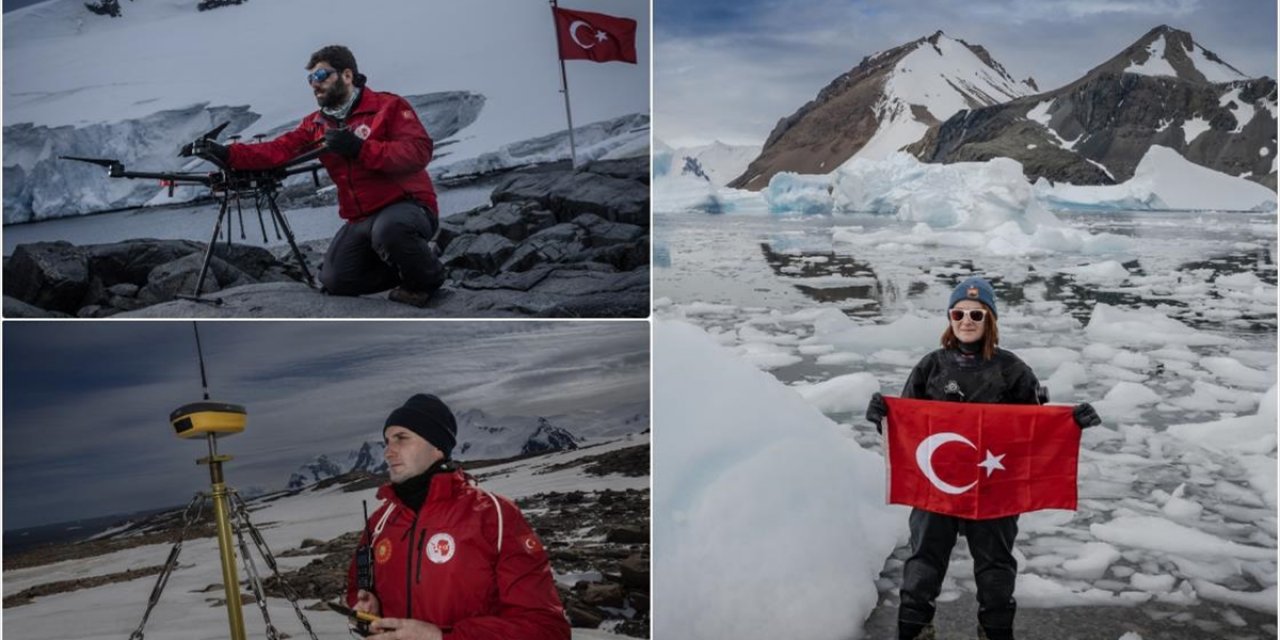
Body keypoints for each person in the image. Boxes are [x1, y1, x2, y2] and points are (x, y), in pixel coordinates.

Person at [865, 276, 1101, 640]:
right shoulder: (931, 367)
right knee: (923, 565)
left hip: (995, 490)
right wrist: (884, 417)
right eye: (959, 313)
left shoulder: (1012, 370)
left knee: (995, 570)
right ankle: (913, 632)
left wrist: (1072, 422)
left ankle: (995, 633)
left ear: (990, 318)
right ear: (950, 317)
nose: (967, 320)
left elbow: (1035, 431)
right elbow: (907, 433)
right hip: (937, 488)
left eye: (977, 313)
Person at [196, 45, 446, 307]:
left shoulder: (388, 106)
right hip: (362, 217)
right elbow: (278, 150)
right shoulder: (316, 124)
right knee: (337, 281)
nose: (314, 85)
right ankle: (416, 263)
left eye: (321, 76)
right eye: (310, 79)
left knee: (390, 230)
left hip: (406, 205)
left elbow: (418, 152)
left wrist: (361, 148)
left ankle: (428, 279)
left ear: (347, 75)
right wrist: (227, 154)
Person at [345, 394, 570, 640]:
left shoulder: (495, 515)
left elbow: (547, 630)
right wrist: (367, 605)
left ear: (437, 447)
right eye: (387, 442)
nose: (388, 452)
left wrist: (442, 638)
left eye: (401, 438)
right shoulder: (380, 521)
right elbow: (358, 586)